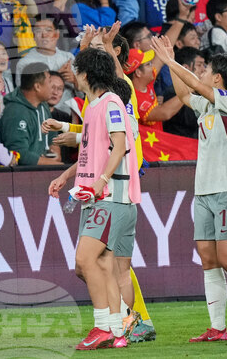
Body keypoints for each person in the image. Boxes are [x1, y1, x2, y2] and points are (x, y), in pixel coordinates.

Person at [151, 39, 227, 341]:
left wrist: (169, 62)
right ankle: (217, 328)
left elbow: (196, 89)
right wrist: (171, 60)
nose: (200, 73)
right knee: (208, 259)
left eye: (205, 70)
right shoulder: (208, 105)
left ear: (217, 78)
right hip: (203, 192)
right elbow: (185, 93)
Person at [47, 48, 141, 351]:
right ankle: (117, 327)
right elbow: (91, 151)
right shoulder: (94, 106)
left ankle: (104, 326)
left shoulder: (112, 103)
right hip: (95, 196)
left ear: (86, 74)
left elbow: (119, 146)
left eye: (76, 69)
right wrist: (66, 176)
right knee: (98, 264)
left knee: (87, 260)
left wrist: (101, 181)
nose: (73, 73)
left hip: (109, 195)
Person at [0, 62, 59, 166]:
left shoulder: (43, 105)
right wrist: (56, 166)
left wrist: (55, 150)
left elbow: (53, 136)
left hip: (44, 171)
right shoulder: (15, 113)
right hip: (23, 177)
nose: (52, 87)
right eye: (49, 81)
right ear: (37, 87)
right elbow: (18, 153)